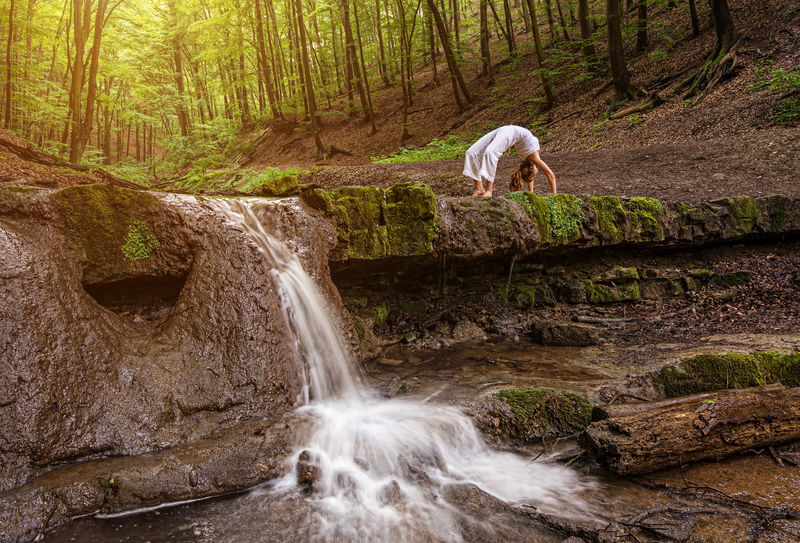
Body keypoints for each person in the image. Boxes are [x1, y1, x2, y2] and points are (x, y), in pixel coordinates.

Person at [463, 125, 557, 197]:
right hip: (509, 131)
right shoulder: (534, 159)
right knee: (475, 152)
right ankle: (486, 190)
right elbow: (550, 175)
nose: (535, 175)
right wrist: (555, 196)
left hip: (508, 130)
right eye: (534, 176)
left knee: (477, 152)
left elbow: (530, 177)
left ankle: (481, 188)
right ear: (532, 168)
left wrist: (531, 193)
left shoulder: (530, 161)